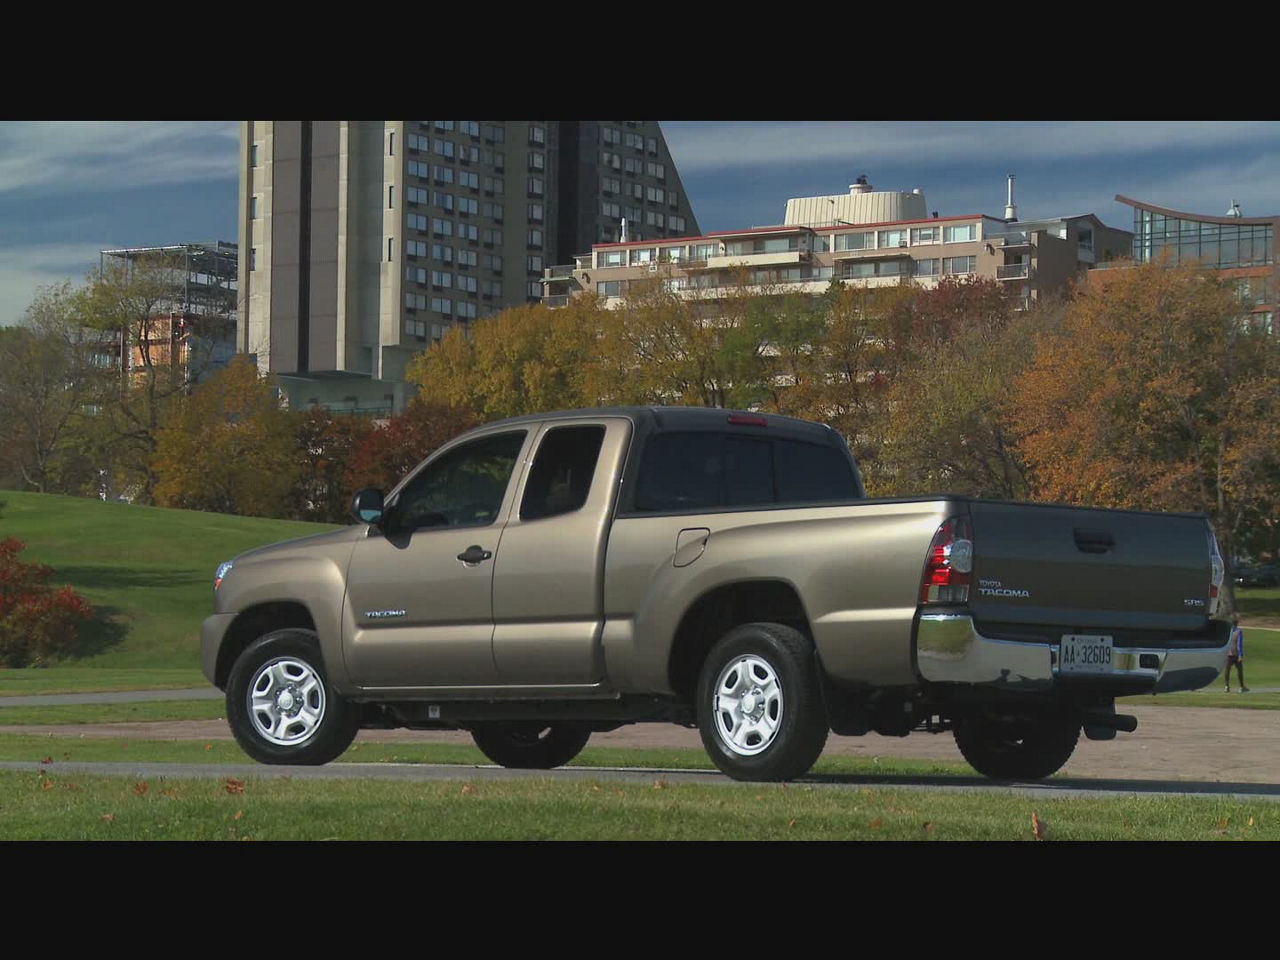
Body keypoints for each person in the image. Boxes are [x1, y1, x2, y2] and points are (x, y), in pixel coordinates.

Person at [1225, 616, 1248, 693]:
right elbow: (1239, 644)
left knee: (1227, 670)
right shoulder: (1239, 631)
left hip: (1229, 653)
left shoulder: (1228, 631)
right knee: (1239, 670)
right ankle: (1241, 687)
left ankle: (1226, 686)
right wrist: (1241, 655)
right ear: (1237, 623)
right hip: (1236, 654)